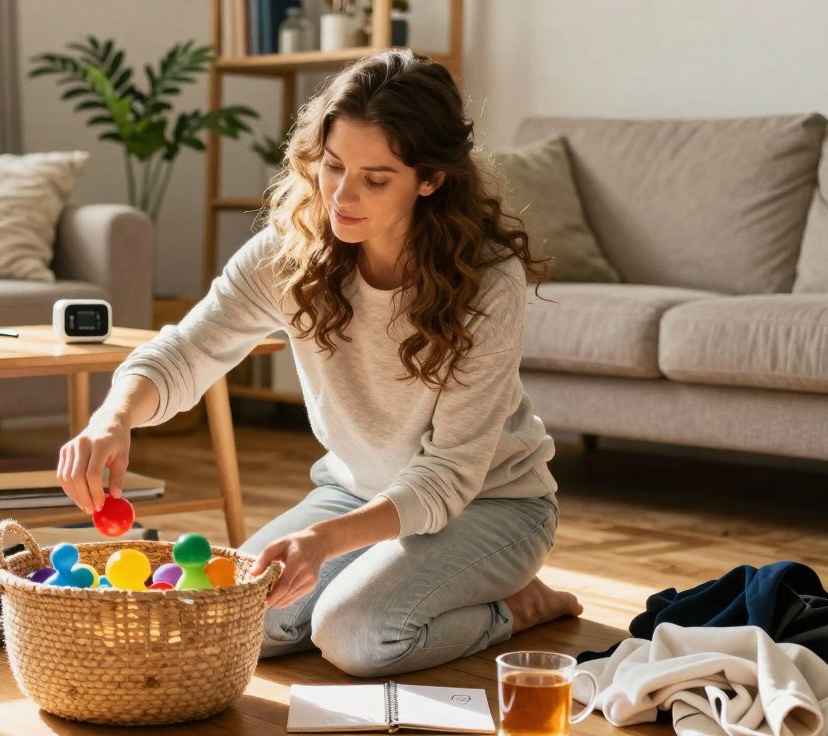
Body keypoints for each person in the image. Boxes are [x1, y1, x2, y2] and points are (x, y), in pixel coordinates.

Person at [54, 49, 582, 677]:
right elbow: (188, 349)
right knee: (231, 617)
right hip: (353, 494)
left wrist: (326, 544)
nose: (343, 196)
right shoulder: (291, 251)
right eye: (333, 166)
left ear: (431, 178)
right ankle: (379, 579)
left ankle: (513, 609)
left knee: (355, 635)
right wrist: (113, 419)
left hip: (492, 507)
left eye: (376, 178)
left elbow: (447, 478)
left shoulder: (487, 282)